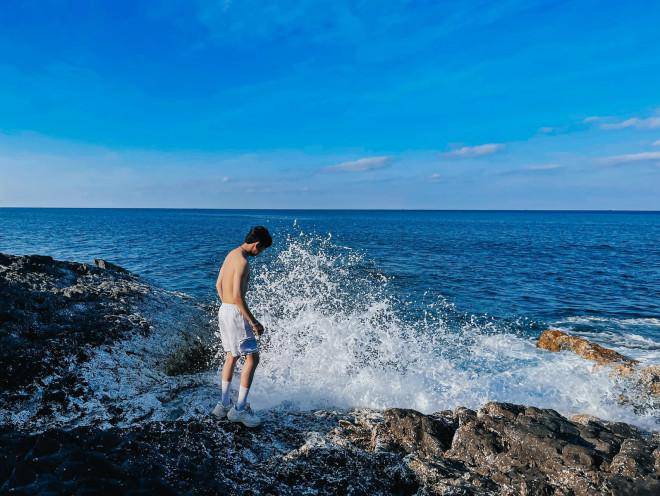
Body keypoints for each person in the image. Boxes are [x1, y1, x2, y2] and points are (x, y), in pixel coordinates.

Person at [211, 226, 272, 427]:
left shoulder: (231, 254)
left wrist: (227, 306)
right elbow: (238, 296)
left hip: (224, 309)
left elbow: (218, 285)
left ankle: (223, 405)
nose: (260, 253)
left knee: (232, 355)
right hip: (235, 312)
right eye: (261, 250)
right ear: (256, 244)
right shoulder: (243, 262)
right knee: (253, 358)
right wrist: (253, 322)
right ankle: (239, 410)